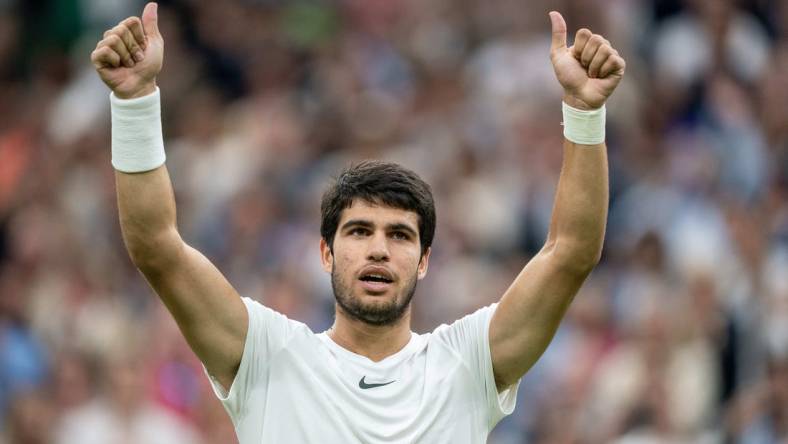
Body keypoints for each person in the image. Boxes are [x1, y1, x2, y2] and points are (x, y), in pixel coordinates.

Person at [90, 3, 625, 443]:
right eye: (358, 231)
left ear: (425, 262)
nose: (378, 250)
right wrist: (135, 100)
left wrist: (584, 110)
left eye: (400, 235)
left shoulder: (466, 365)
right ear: (325, 253)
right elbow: (157, 248)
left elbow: (571, 251)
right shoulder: (268, 358)